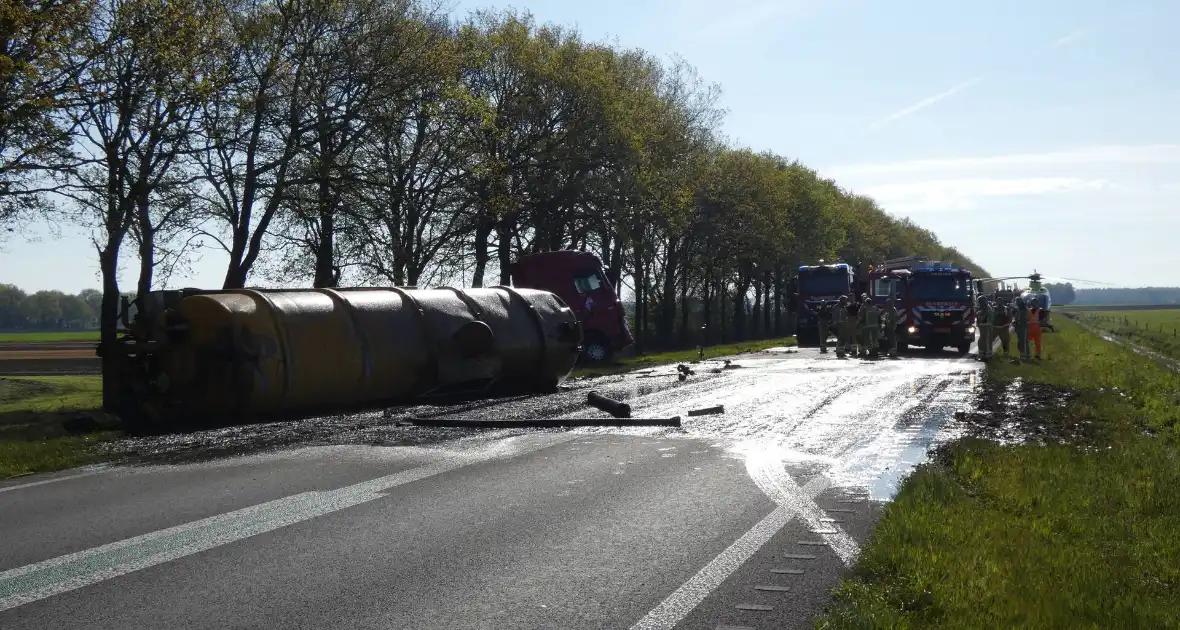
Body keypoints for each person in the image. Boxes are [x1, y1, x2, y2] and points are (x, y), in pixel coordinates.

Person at [859, 295, 881, 359]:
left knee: (867, 341)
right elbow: (879, 317)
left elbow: (861, 317)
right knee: (875, 340)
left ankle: (870, 352)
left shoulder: (864, 309)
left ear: (866, 303)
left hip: (867, 327)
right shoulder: (875, 308)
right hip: (875, 327)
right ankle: (875, 352)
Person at [1013, 296, 1031, 361]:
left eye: (1018, 301)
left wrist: (1018, 322)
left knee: (1024, 342)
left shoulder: (1025, 309)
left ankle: (1027, 356)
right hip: (1018, 328)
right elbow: (1016, 318)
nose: (1017, 303)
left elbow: (1026, 318)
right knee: (1020, 342)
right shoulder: (1018, 309)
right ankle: (1022, 355)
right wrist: (1015, 322)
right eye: (1016, 301)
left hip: (1024, 327)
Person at [976, 296, 994, 360]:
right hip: (982, 328)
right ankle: (981, 355)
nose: (979, 303)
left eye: (980, 302)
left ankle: (988, 356)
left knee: (987, 341)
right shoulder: (981, 309)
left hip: (987, 328)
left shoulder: (988, 309)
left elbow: (988, 319)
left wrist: (980, 322)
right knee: (981, 342)